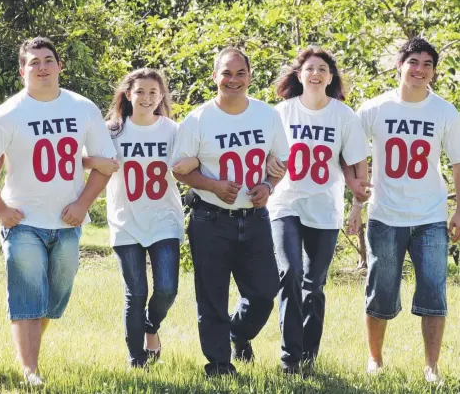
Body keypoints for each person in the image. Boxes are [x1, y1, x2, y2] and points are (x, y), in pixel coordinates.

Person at [0, 37, 116, 385]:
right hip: (23, 222)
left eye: (48, 60)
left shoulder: (83, 107)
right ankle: (30, 371)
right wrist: (1, 211)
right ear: (22, 71)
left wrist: (83, 204)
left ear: (60, 66)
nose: (42, 67)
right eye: (34, 62)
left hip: (68, 222)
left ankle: (30, 349)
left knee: (53, 298)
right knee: (26, 293)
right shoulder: (7, 114)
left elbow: (107, 165)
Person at [171, 47, 290, 377]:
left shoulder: (267, 115)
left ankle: (237, 333)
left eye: (240, 73)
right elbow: (179, 170)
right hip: (210, 219)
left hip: (254, 218)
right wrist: (212, 186)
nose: (233, 79)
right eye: (226, 73)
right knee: (212, 297)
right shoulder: (197, 119)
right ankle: (219, 365)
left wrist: (268, 187)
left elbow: (282, 161)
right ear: (214, 77)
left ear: (250, 76)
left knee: (265, 292)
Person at [354, 37, 460, 383]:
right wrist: (356, 195)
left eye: (428, 64)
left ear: (433, 72)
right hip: (385, 214)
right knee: (380, 290)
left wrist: (458, 208)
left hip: (429, 215)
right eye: (413, 61)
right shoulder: (375, 108)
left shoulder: (444, 111)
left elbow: (458, 161)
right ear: (399, 65)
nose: (420, 69)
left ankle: (432, 367)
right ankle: (375, 359)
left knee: (433, 291)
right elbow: (350, 150)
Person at [84, 68, 199, 368]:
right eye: (140, 92)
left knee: (166, 288)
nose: (146, 98)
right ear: (127, 94)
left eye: (153, 92)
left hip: (164, 220)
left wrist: (195, 160)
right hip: (126, 221)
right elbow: (82, 159)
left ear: (161, 96)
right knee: (135, 293)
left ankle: (151, 327)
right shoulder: (112, 130)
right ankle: (137, 359)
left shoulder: (173, 130)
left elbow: (194, 160)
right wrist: (96, 161)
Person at [266, 47, 370, 374]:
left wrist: (357, 207)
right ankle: (289, 358)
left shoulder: (344, 116)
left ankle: (308, 357)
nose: (316, 73)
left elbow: (358, 166)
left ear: (330, 76)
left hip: (326, 208)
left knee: (314, 284)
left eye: (322, 69)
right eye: (310, 68)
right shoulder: (280, 113)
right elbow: (262, 154)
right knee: (290, 274)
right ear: (299, 76)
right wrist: (268, 163)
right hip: (285, 204)